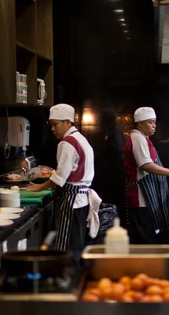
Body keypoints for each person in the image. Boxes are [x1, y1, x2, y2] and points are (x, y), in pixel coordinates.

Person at [24, 104, 101, 264]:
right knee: (77, 246)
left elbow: (60, 177)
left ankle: (65, 280)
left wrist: (38, 187)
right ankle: (76, 279)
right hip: (82, 201)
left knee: (66, 248)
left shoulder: (67, 142)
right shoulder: (80, 138)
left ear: (67, 122)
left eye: (55, 124)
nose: (52, 129)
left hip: (71, 202)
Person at [123, 107, 169, 244]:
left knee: (150, 235)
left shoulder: (143, 138)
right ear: (140, 123)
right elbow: (146, 165)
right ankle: (146, 264)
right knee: (146, 238)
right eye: (150, 122)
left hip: (147, 197)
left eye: (155, 122)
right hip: (141, 197)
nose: (154, 126)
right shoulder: (137, 138)